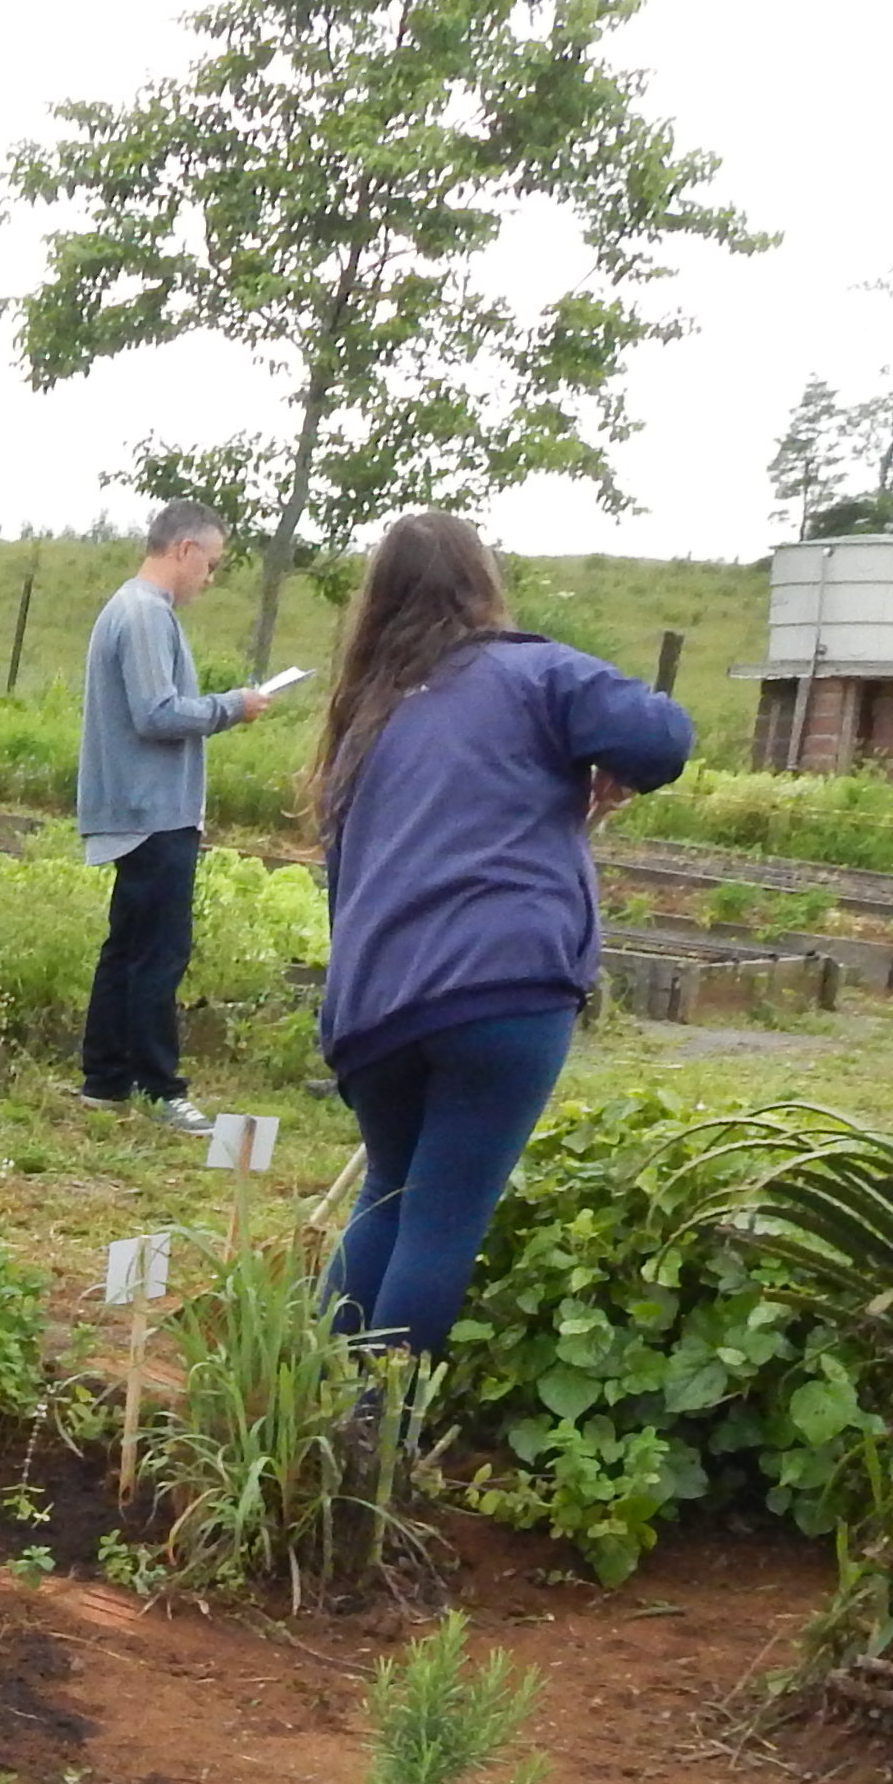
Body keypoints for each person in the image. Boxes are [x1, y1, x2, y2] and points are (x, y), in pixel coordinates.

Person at [306, 512, 694, 1349]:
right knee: (442, 1221)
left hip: (374, 1007)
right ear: (482, 584)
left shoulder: (362, 720)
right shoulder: (533, 674)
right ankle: (382, 1433)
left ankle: (297, 1409)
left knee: (390, 1196)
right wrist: (613, 763)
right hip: (501, 988)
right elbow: (663, 736)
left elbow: (345, 885)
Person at [75, 500, 278, 1123]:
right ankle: (162, 1090)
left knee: (128, 947)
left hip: (141, 807)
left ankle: (105, 1081)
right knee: (160, 952)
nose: (210, 579)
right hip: (152, 811)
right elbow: (157, 713)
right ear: (183, 550)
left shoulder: (137, 609)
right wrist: (231, 706)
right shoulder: (143, 615)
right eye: (211, 565)